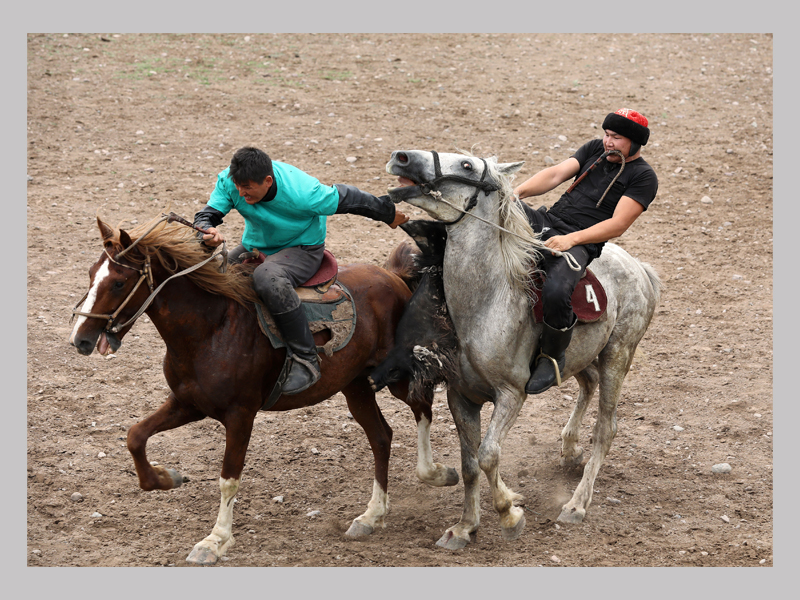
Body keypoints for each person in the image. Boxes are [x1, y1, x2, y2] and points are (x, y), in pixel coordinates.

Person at [194, 146, 409, 395]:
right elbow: (207, 215)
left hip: (303, 248)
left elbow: (350, 199)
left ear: (268, 181)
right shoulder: (232, 181)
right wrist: (205, 231)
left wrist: (388, 214)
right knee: (213, 276)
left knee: (268, 277)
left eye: (247, 187)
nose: (241, 193)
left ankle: (305, 357)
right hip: (257, 245)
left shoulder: (303, 193)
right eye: (238, 186)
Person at [513, 108, 658, 394]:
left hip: (581, 242)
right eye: (607, 134)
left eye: (616, 137)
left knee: (557, 290)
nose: (608, 142)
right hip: (548, 220)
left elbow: (618, 224)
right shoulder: (594, 149)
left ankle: (552, 356)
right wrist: (515, 194)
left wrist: (570, 240)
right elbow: (555, 174)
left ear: (635, 143)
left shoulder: (643, 177)